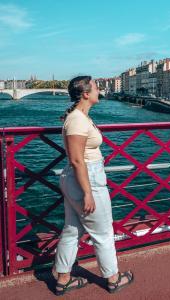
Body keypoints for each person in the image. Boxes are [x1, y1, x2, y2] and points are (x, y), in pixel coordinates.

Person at [52, 76, 134, 296]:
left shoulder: (78, 117)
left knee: (71, 231)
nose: (100, 90)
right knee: (104, 233)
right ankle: (113, 279)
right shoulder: (78, 120)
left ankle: (63, 279)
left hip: (74, 178)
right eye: (97, 87)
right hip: (86, 180)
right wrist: (88, 193)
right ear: (86, 94)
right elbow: (78, 160)